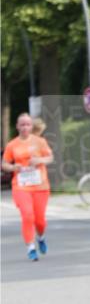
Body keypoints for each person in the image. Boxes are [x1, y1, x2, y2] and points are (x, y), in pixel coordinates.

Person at [1, 112, 53, 261]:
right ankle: (30, 247)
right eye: (22, 124)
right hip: (21, 186)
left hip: (40, 185)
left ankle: (41, 237)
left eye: (27, 124)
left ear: (31, 126)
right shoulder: (12, 145)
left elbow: (50, 158)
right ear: (17, 126)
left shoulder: (40, 141)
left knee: (40, 220)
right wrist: (13, 168)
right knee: (27, 215)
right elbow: (4, 164)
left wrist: (39, 160)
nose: (24, 127)